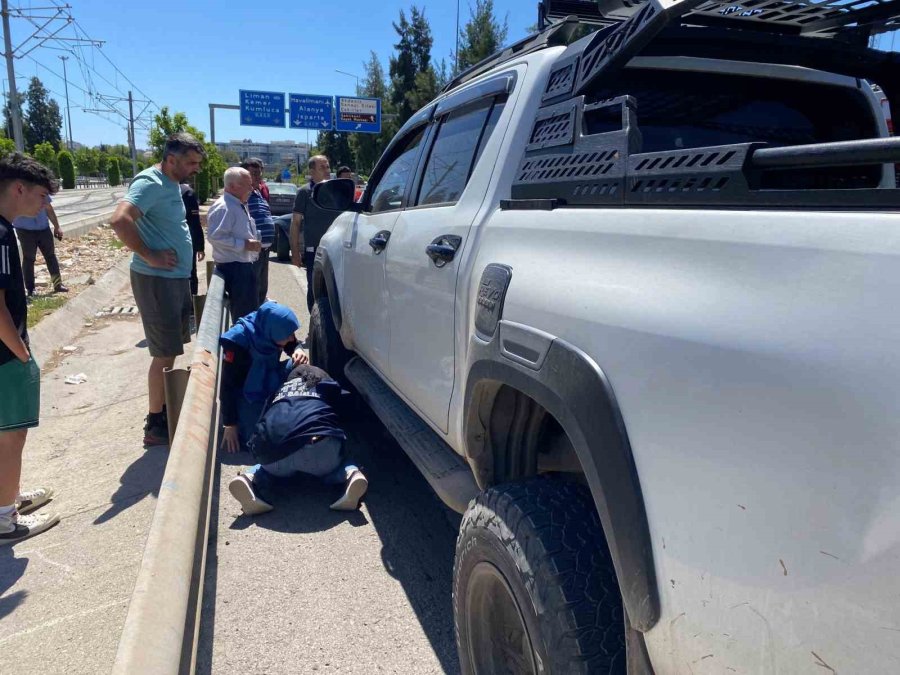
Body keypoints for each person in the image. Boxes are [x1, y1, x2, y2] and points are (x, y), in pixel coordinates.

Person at [111, 132, 205, 447]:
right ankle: (155, 422)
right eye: (191, 162)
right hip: (157, 280)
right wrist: (149, 254)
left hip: (173, 278)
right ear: (171, 159)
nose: (196, 168)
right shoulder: (150, 182)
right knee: (163, 353)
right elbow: (120, 220)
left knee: (170, 350)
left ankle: (165, 409)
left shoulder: (170, 183)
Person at [0, 153, 60, 545]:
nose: (45, 204)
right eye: (42, 196)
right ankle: (5, 519)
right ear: (19, 188)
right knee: (11, 434)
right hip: (5, 355)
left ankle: (8, 495)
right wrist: (22, 354)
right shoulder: (2, 234)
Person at [227, 363, 369, 514]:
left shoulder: (276, 394)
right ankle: (351, 474)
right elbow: (345, 415)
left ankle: (249, 477)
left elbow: (261, 426)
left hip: (277, 458)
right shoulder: (327, 386)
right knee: (338, 458)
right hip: (318, 450)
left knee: (267, 467)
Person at [218, 301, 307, 451]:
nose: (292, 338)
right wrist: (230, 424)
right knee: (256, 440)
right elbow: (228, 385)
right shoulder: (238, 342)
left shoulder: (271, 327)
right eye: (288, 335)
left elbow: (291, 343)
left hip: (268, 376)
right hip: (247, 394)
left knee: (302, 367)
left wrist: (298, 350)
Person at [207, 167, 260, 321]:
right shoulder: (224, 207)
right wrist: (244, 244)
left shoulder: (237, 204)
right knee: (244, 316)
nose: (251, 189)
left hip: (242, 266)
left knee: (249, 312)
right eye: (247, 185)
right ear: (231, 186)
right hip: (235, 268)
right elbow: (215, 237)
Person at [291, 155, 338, 312]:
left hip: (336, 250)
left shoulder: (335, 191)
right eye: (322, 167)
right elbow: (295, 223)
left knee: (334, 291)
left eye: (328, 166)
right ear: (311, 172)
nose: (327, 170)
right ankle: (315, 324)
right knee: (314, 290)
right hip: (314, 251)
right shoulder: (304, 192)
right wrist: (295, 252)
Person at [13, 195, 68, 296]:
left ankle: (58, 285)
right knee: (29, 259)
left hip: (43, 229)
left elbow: (49, 208)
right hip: (24, 230)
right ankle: (30, 289)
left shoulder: (41, 190)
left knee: (51, 256)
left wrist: (57, 227)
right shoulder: (17, 191)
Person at [240, 158, 275, 306]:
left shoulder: (258, 192)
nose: (258, 177)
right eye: (254, 173)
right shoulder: (241, 195)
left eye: (259, 173)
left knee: (261, 289)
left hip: (263, 250)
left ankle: (259, 313)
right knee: (251, 291)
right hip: (251, 252)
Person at [180, 182, 205, 296]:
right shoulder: (188, 193)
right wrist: (200, 246)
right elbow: (195, 222)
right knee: (190, 274)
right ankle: (192, 304)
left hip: (167, 240)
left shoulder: (165, 189)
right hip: (187, 240)